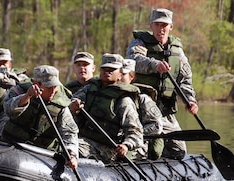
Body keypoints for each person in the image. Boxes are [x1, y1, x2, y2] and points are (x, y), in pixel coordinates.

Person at [126, 8, 198, 159]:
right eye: (157, 25)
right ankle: (138, 151)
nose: (161, 29)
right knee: (144, 147)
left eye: (164, 25)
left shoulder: (178, 52)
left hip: (165, 110)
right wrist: (154, 64)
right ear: (151, 26)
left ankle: (158, 161)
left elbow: (184, 80)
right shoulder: (140, 43)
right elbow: (134, 60)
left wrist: (190, 100)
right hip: (141, 108)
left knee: (178, 152)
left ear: (170, 27)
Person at [70, 53, 143, 164]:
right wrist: (73, 105)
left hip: (106, 148)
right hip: (82, 137)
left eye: (112, 69)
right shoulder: (90, 88)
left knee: (74, 149)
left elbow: (136, 132)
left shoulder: (123, 100)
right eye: (105, 69)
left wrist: (126, 145)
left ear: (120, 74)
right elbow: (71, 102)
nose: (107, 72)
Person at [2, 65, 79, 170]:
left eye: (55, 87)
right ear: (37, 84)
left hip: (42, 155)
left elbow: (69, 132)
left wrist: (72, 154)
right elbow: (8, 110)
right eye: (49, 87)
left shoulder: (61, 104)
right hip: (12, 147)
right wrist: (27, 96)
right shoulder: (19, 90)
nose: (53, 91)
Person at [121, 59, 164, 160]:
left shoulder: (143, 98)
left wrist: (133, 135)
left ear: (131, 77)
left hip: (139, 143)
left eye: (123, 74)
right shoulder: (110, 96)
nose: (119, 77)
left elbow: (157, 126)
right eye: (118, 73)